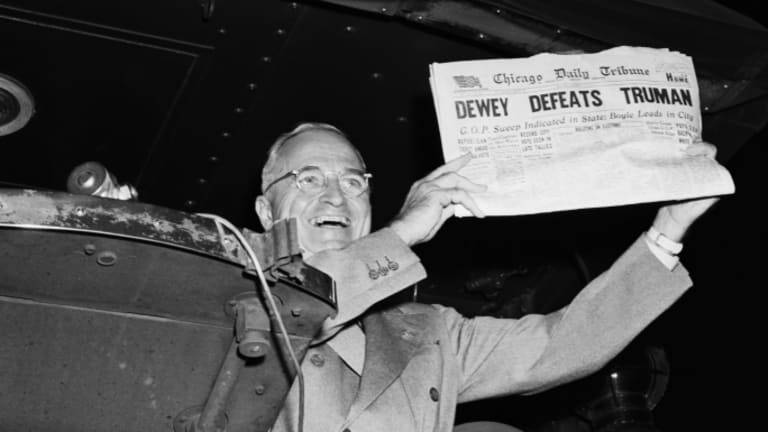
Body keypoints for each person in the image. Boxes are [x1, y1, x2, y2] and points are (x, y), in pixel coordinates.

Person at [253, 122, 718, 432]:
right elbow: (294, 311)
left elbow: (558, 346)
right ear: (265, 211)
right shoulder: (231, 282)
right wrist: (401, 234)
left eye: (353, 182)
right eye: (308, 179)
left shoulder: (426, 330)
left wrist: (668, 229)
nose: (336, 197)